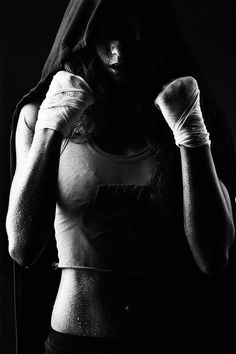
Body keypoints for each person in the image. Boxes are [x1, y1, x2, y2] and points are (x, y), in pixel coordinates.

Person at [6, 0, 236, 353]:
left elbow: (213, 257)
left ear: (153, 40)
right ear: (84, 39)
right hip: (72, 343)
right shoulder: (39, 116)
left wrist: (191, 136)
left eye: (133, 38)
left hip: (170, 342)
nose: (119, 53)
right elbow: (22, 248)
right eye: (106, 37)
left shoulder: (185, 110)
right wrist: (51, 130)